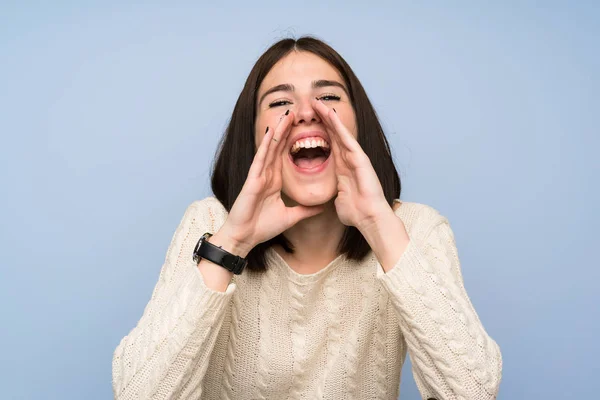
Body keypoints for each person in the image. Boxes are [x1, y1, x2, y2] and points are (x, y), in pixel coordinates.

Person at [112, 36, 502, 400]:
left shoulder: (417, 230)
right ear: (253, 136)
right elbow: (138, 394)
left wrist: (379, 226)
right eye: (280, 102)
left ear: (357, 125)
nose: (304, 113)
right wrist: (233, 242)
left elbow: (473, 391)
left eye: (328, 96)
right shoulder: (210, 224)